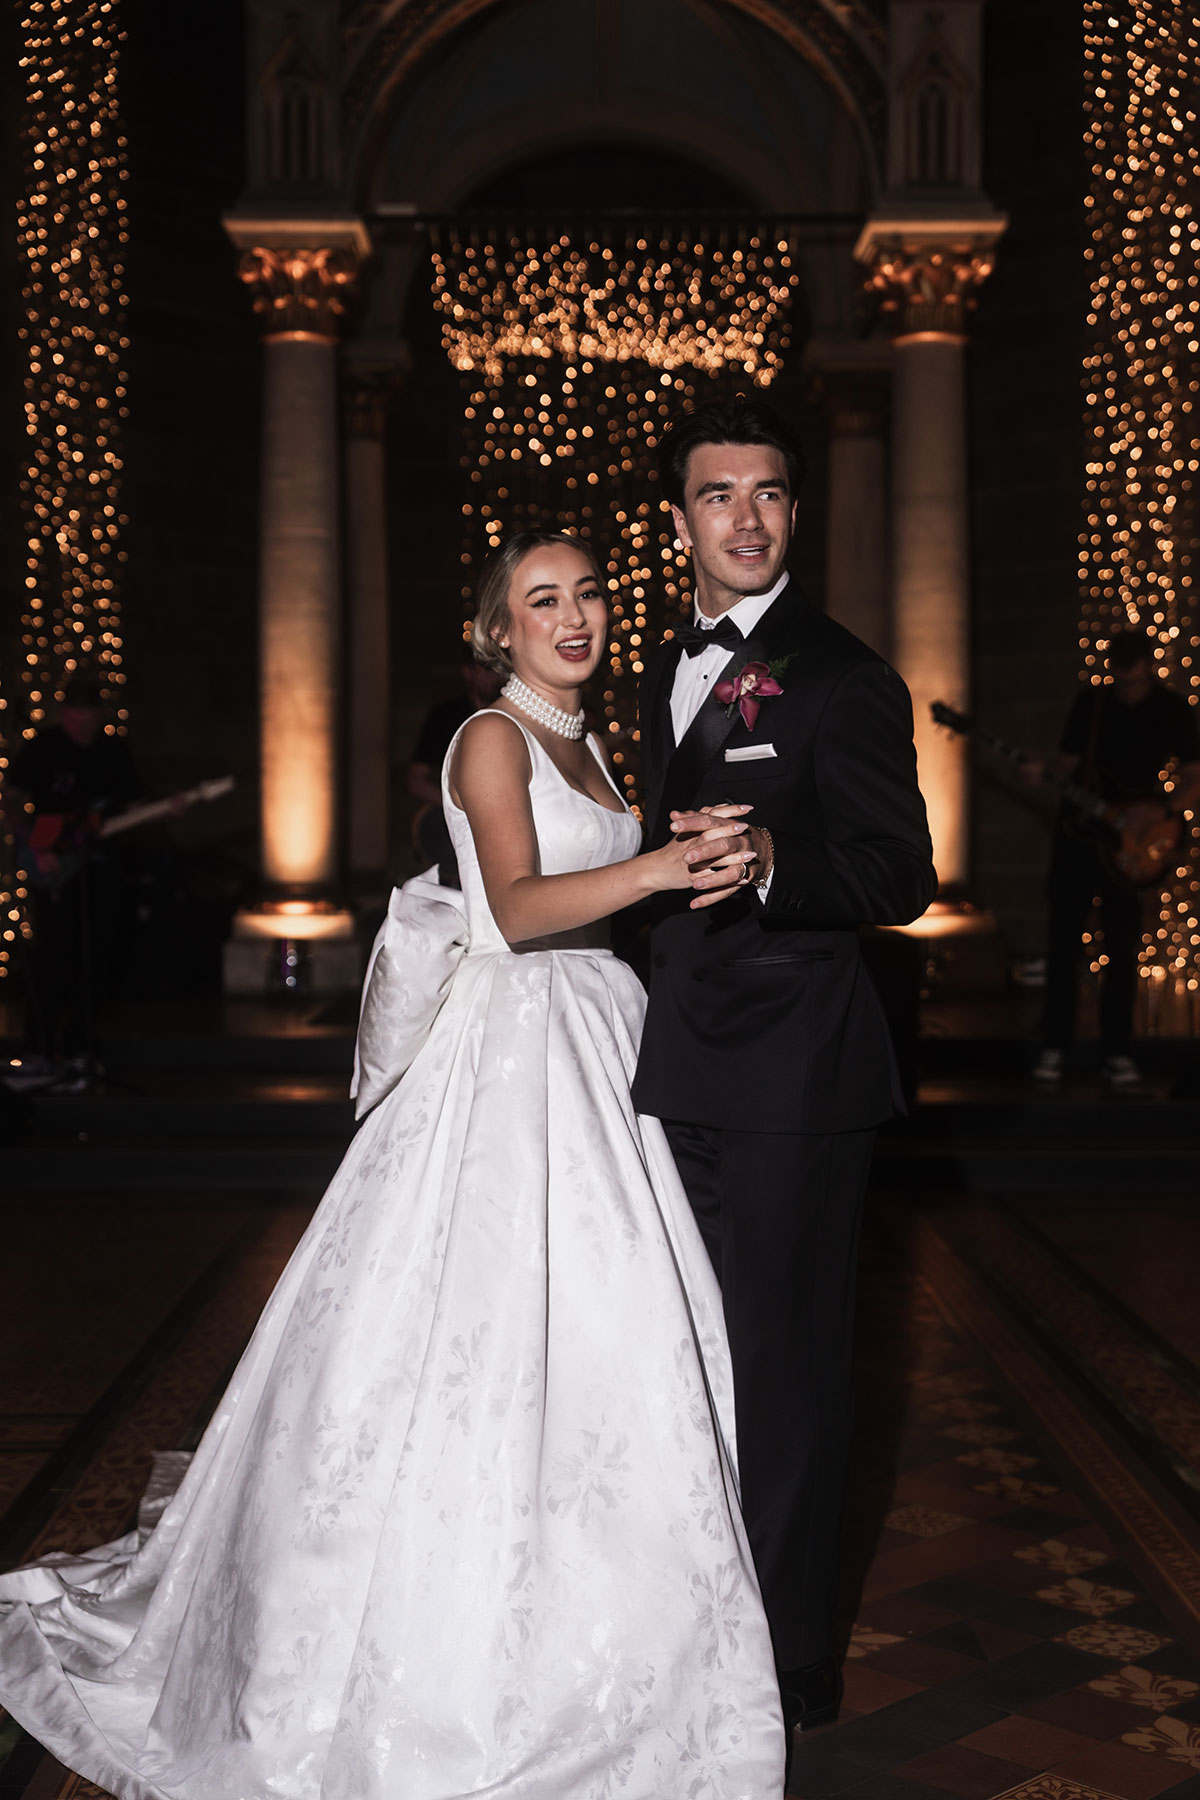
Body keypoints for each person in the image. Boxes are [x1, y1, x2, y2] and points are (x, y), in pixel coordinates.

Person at [0, 530, 785, 1800]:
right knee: (472, 1334)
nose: (572, 616)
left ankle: (610, 1615)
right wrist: (653, 865)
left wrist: (697, 855)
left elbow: (593, 893)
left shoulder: (592, 741)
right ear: (499, 630)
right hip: (514, 1049)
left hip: (595, 1036)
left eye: (587, 594)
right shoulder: (491, 738)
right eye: (543, 601)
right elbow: (517, 910)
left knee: (607, 1337)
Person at [632, 398, 936, 1751]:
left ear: (795, 513)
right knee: (684, 1363)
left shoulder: (845, 675)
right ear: (677, 519)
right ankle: (689, 1624)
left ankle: (792, 1663)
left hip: (798, 1086)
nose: (745, 520)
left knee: (790, 1374)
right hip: (673, 1074)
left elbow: (901, 875)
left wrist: (775, 867)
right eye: (717, 497)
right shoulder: (654, 668)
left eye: (768, 496)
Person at [1032, 628, 1200, 1085]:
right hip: (1079, 837)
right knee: (1063, 944)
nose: (1127, 682)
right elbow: (1067, 763)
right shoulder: (1092, 704)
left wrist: (1161, 811)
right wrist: (1040, 769)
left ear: (1147, 664)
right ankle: (1055, 1046)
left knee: (1121, 948)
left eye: (1133, 671)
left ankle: (1117, 1050)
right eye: (1120, 672)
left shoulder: (1170, 709)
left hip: (1129, 849)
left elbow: (1193, 776)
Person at [1, 677, 142, 1071]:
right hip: (52, 866)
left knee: (96, 954)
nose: (80, 721)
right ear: (64, 714)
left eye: (87, 714)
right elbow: (12, 799)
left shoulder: (113, 751)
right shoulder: (44, 748)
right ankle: (40, 1043)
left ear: (98, 715)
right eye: (73, 713)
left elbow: (132, 803)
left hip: (98, 864)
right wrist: (35, 844)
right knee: (54, 953)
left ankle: (80, 1042)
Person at [407, 642, 501, 885]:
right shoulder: (445, 716)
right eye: (487, 667)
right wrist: (463, 809)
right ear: (467, 671)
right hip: (457, 837)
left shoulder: (511, 716)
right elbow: (416, 781)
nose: (494, 674)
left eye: (499, 666)